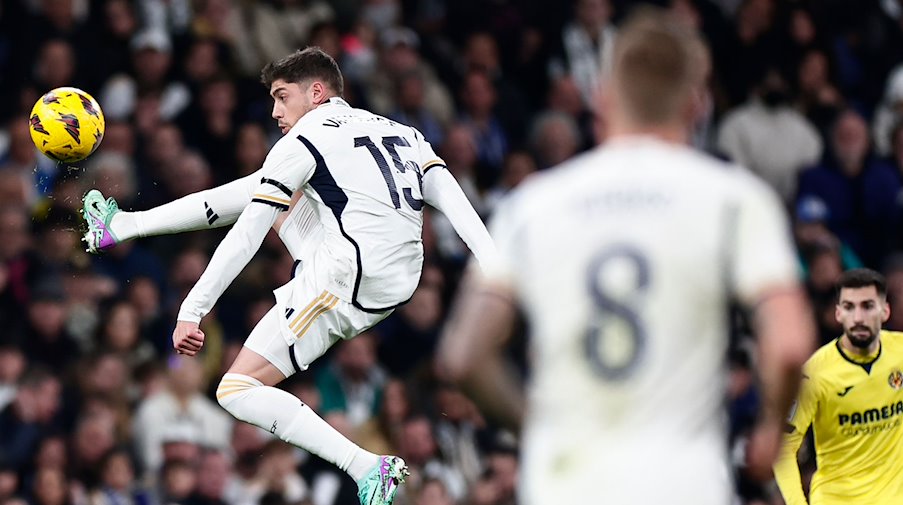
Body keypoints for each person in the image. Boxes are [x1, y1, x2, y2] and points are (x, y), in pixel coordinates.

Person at [81, 47, 495, 505]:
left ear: (316, 92)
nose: (276, 111)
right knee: (269, 185)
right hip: (400, 273)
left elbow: (247, 237)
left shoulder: (305, 139)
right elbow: (452, 199)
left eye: (282, 97)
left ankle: (366, 467)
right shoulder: (401, 132)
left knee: (236, 389)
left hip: (345, 281)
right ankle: (124, 225)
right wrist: (497, 268)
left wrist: (192, 310)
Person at [437, 9, 815, 505]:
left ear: (602, 97)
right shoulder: (733, 199)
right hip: (683, 482)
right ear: (697, 103)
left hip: (566, 483)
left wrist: (537, 427)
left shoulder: (534, 204)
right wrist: (769, 429)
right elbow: (788, 344)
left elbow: (464, 355)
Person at [773, 268, 903, 504]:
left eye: (867, 306)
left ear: (885, 311)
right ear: (838, 314)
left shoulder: (900, 353)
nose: (858, 318)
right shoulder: (815, 374)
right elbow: (783, 447)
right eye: (849, 307)